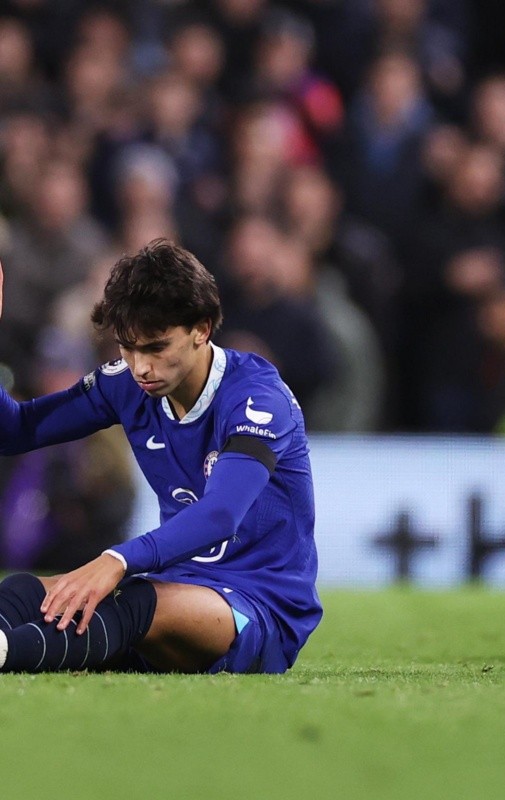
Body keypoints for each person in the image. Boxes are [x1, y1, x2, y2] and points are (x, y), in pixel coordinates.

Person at [0, 239, 322, 674]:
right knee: (25, 591)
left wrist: (117, 559)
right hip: (175, 587)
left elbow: (221, 513)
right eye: (127, 348)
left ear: (201, 329)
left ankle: (6, 653)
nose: (140, 367)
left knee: (129, 599)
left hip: (258, 607)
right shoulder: (127, 385)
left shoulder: (257, 399)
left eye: (156, 347)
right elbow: (16, 429)